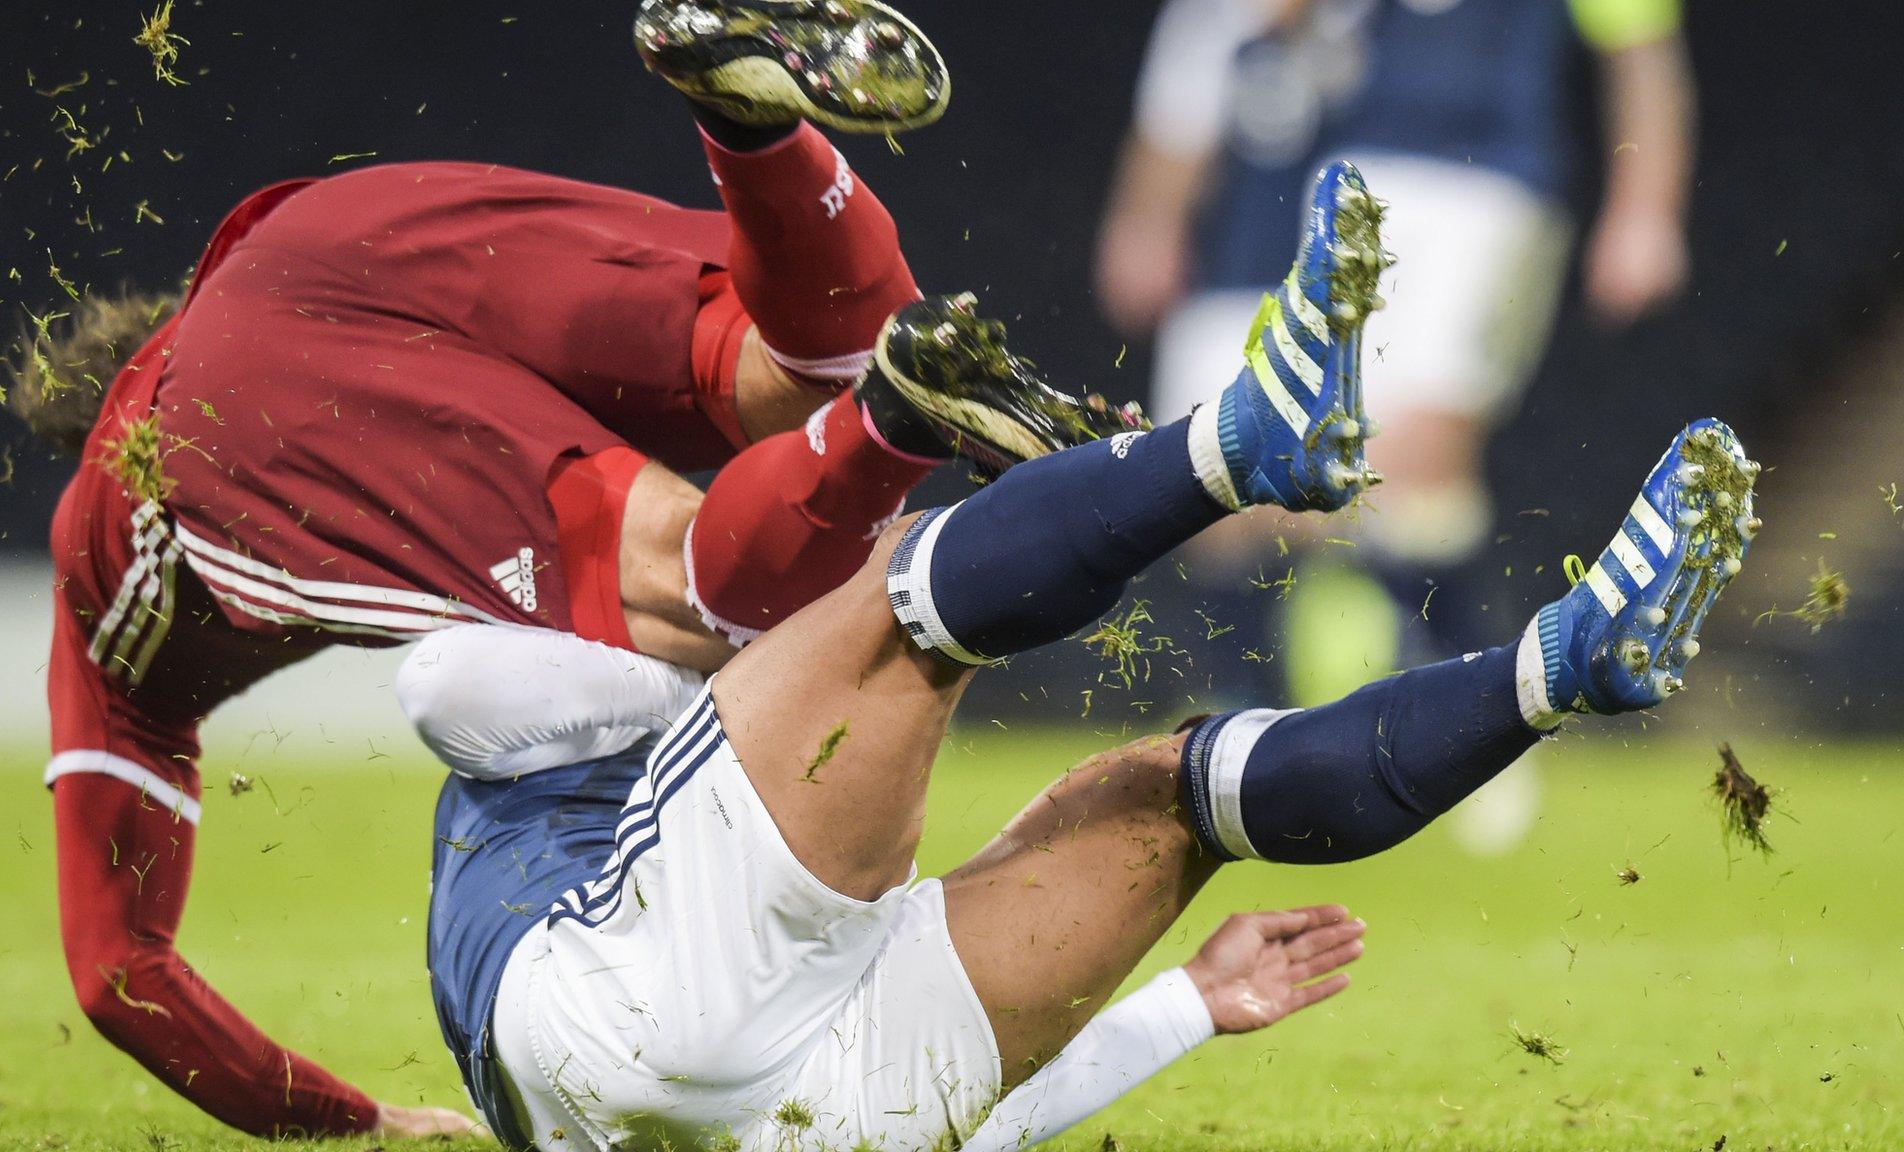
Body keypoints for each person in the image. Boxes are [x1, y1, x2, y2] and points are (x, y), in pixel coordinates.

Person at [414, 139, 1759, 1150]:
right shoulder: (510, 673)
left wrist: (1181, 1011)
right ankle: (1239, 444)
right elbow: (479, 672)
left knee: (1170, 799)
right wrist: (733, 612)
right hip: (633, 1003)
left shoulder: (484, 724)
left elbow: (939, 1120)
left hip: (807, 1113)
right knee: (896, 605)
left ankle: (1554, 670)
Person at [12, 0, 1128, 1136]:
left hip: (235, 416)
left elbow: (118, 973)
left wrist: (350, 1124)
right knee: (814, 362)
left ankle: (898, 418)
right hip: (326, 224)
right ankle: (749, 128)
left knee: (705, 602)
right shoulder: (229, 285)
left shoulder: (113, 526)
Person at [1097, 0, 1697, 702]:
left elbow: (1642, 55)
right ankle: (1262, 716)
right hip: (1360, 180)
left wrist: (1646, 209)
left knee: (1415, 451)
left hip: (1492, 181)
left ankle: (1478, 693)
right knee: (1279, 478)